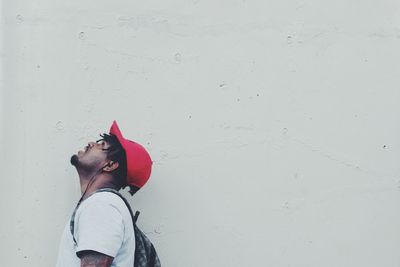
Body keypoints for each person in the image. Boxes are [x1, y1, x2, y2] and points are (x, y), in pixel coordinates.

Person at [56, 120, 153, 267]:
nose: (91, 143)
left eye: (102, 145)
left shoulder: (101, 206)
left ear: (110, 165)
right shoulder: (103, 204)